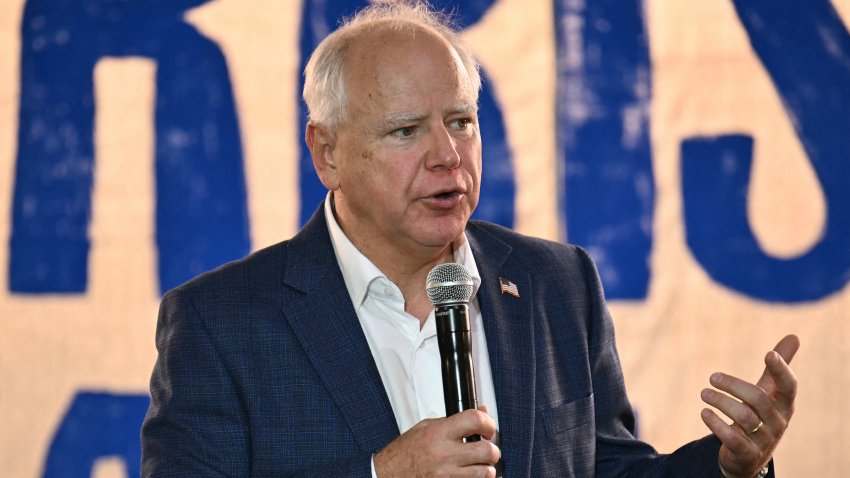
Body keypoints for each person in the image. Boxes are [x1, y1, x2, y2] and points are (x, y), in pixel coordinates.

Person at [141, 1, 799, 476]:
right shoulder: (220, 322)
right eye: (406, 131)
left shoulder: (557, 284)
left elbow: (609, 469)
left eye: (461, 121)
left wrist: (728, 467)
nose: (448, 158)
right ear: (327, 153)